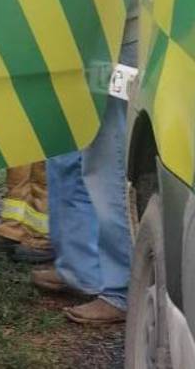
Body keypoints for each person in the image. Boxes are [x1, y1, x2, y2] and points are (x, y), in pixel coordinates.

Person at [31, 41, 136, 324]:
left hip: (113, 40)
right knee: (65, 156)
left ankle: (122, 291)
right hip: (84, 40)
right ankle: (80, 269)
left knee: (106, 164)